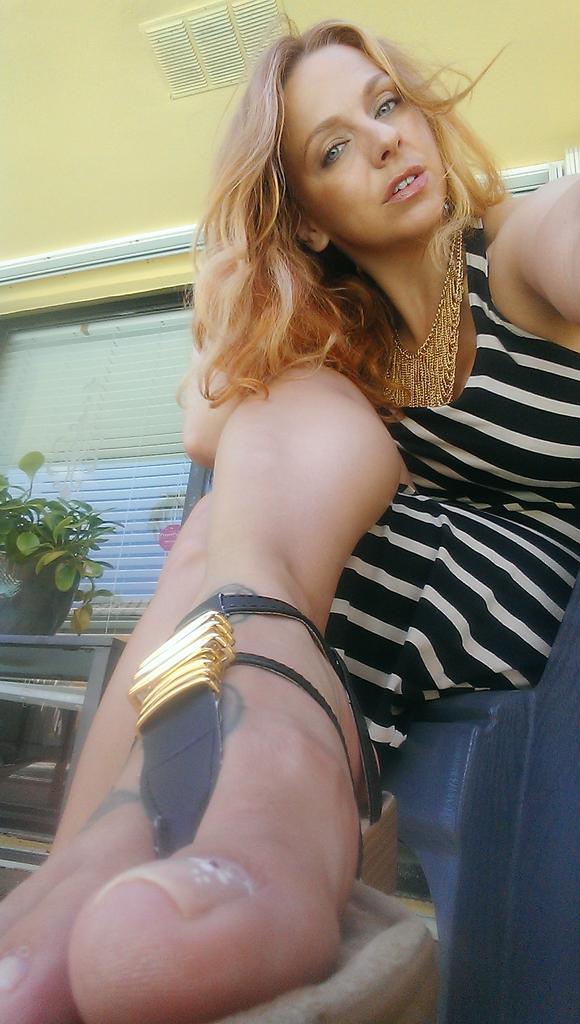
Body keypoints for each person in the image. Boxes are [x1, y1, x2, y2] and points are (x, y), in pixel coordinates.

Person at [1, 17, 579, 1024]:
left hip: (551, 590)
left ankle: (195, 801)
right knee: (238, 502)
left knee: (249, 522)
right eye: (334, 148)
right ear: (307, 219)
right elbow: (205, 424)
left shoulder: (516, 249)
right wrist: (227, 279)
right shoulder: (352, 341)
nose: (385, 141)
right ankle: (120, 841)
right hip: (432, 591)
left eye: (387, 106)